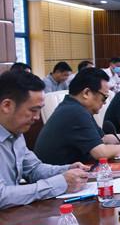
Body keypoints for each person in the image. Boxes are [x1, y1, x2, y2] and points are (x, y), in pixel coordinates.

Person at [0, 71, 89, 209]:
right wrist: (60, 183)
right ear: (7, 106)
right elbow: (2, 196)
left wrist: (66, 170)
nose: (37, 117)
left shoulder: (15, 131)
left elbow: (34, 169)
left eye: (39, 110)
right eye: (33, 110)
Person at [34, 68, 120, 165]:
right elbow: (101, 152)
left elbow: (104, 139)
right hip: (59, 179)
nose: (104, 103)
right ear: (86, 93)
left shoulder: (75, 107)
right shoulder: (75, 112)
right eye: (104, 97)